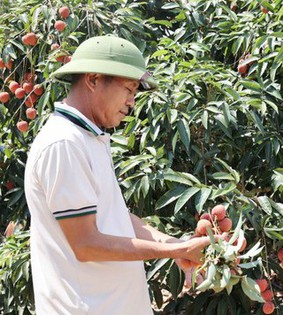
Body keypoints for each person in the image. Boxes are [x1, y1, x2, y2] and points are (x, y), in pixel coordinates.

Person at [24, 35, 211, 314]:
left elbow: (117, 219)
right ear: (94, 79)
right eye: (129, 89)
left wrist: (176, 245)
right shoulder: (64, 144)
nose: (132, 102)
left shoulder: (90, 138)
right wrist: (173, 252)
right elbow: (86, 244)